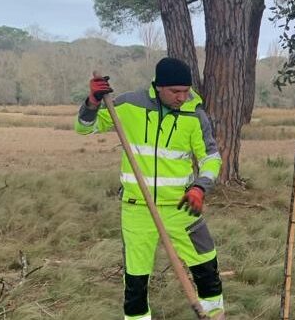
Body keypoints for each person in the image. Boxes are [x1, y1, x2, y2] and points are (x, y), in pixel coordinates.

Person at [75, 57, 224, 319]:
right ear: (158, 86)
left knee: (207, 269)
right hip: (137, 210)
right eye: (175, 92)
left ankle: (214, 316)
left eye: (185, 90)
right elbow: (85, 128)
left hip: (182, 206)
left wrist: (200, 187)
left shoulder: (194, 114)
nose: (181, 97)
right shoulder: (129, 105)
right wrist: (92, 102)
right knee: (136, 282)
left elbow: (210, 158)